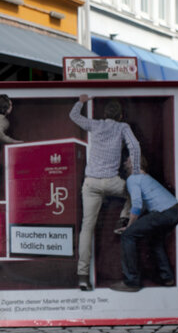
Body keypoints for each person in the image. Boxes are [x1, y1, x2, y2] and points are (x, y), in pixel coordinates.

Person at [70, 94, 141, 291]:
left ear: (105, 114)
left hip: (91, 182)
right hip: (112, 181)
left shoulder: (96, 124)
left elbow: (74, 116)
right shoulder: (122, 127)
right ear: (121, 115)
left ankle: (82, 277)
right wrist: (135, 174)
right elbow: (135, 147)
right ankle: (123, 218)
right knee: (134, 193)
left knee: (87, 228)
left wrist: (81, 102)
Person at [111, 156, 178, 292]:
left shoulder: (133, 178)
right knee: (155, 241)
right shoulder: (144, 177)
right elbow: (143, 205)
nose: (125, 161)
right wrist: (132, 224)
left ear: (133, 164)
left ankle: (131, 282)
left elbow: (137, 205)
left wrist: (130, 227)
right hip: (175, 211)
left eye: (127, 160)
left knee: (127, 236)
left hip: (164, 212)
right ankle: (167, 278)